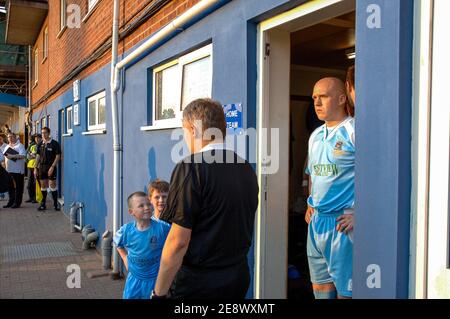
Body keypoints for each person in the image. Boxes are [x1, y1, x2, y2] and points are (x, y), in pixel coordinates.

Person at [153, 98, 259, 299]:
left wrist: (158, 293)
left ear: (193, 129)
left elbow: (178, 242)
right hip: (238, 276)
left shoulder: (191, 167)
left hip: (200, 284)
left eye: (184, 131)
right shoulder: (246, 167)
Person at [304, 77, 355, 299]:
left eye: (323, 96)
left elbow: (377, 177)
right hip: (316, 223)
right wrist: (309, 203)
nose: (316, 102)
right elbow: (312, 175)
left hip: (342, 225)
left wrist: (360, 214)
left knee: (346, 293)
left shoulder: (354, 130)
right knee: (321, 290)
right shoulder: (315, 135)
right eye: (314, 97)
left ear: (342, 98)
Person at [113, 191, 171, 299]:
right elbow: (117, 243)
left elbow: (175, 243)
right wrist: (125, 259)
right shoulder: (126, 231)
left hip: (155, 280)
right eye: (141, 206)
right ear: (131, 211)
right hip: (134, 280)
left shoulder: (163, 228)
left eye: (148, 204)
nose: (147, 207)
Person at [35, 127, 61, 211]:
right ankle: (43, 204)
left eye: (45, 132)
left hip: (51, 167)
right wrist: (35, 167)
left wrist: (52, 167)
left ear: (49, 133)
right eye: (42, 133)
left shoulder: (55, 143)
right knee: (43, 186)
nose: (43, 134)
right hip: (42, 167)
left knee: (52, 185)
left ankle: (55, 204)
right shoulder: (40, 144)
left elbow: (58, 156)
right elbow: (38, 156)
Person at [3, 132, 27, 208]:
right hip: (9, 170)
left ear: (15, 137)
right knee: (10, 187)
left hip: (18, 170)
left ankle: (17, 203)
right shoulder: (7, 146)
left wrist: (12, 156)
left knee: (18, 187)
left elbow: (23, 156)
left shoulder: (20, 146)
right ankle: (11, 202)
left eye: (11, 137)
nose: (9, 138)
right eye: (8, 137)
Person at [25, 134, 41, 203]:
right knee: (29, 183)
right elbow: (28, 155)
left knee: (36, 183)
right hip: (30, 166)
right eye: (36, 138)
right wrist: (32, 155)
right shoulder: (33, 146)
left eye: (38, 138)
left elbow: (40, 156)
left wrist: (33, 155)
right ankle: (31, 197)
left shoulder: (42, 146)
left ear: (41, 138)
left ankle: (36, 198)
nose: (37, 139)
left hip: (37, 166)